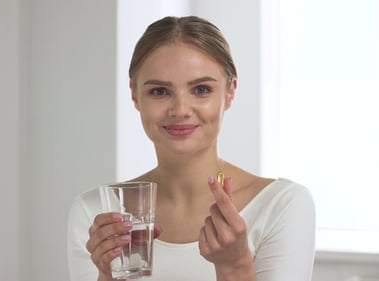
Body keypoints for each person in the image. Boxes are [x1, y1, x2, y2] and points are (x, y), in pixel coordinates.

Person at [67, 16, 315, 281]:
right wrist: (107, 276)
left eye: (201, 89)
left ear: (230, 92)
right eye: (160, 92)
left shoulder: (282, 206)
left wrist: (236, 266)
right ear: (135, 95)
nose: (180, 110)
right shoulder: (96, 214)